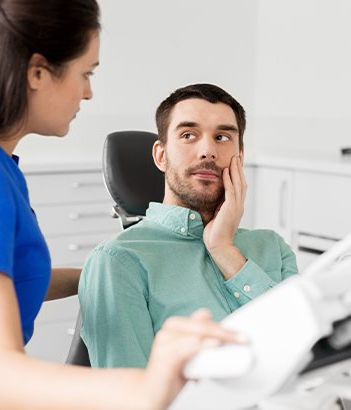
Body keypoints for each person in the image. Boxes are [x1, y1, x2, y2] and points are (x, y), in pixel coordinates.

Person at [0, 3, 244, 410]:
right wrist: (149, 385)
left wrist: (112, 269)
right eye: (87, 72)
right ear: (37, 72)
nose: (88, 91)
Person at [79, 83, 299, 369]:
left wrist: (224, 249)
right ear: (161, 155)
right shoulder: (119, 261)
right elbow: (128, 394)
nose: (207, 151)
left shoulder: (273, 247)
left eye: (222, 137)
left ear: (240, 158)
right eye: (188, 135)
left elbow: (304, 349)